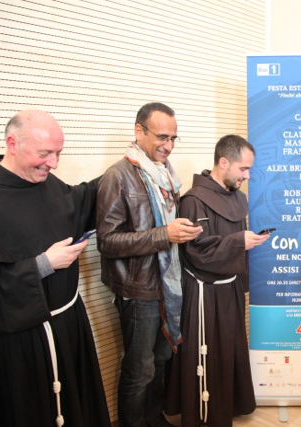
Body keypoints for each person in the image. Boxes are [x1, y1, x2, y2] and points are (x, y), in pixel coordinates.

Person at [0, 110, 110, 426]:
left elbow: (78, 201)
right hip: (21, 343)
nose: (53, 163)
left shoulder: (44, 180)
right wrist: (43, 264)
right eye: (45, 153)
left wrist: (122, 170)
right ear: (12, 144)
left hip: (69, 323)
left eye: (58, 153)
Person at [97, 102, 202, 427]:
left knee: (160, 359)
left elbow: (164, 227)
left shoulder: (165, 175)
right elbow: (107, 242)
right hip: (138, 290)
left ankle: (155, 419)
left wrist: (182, 231)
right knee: (139, 369)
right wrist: (164, 234)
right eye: (161, 137)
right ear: (139, 131)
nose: (168, 146)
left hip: (167, 284)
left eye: (173, 138)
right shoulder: (117, 176)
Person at [165, 134, 270, 427]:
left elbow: (230, 242)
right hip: (204, 293)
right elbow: (196, 252)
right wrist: (239, 242)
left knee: (228, 350)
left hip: (230, 288)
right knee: (207, 356)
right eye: (243, 169)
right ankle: (204, 414)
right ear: (223, 162)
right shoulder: (194, 201)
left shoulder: (238, 197)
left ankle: (228, 406)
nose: (247, 176)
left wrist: (246, 242)